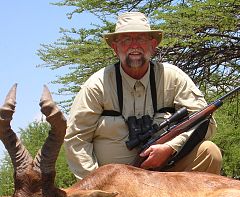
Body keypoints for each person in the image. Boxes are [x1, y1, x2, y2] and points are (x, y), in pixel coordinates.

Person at [64, 11, 222, 180]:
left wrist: (170, 147)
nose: (134, 45)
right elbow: (76, 139)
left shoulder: (173, 77)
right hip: (115, 185)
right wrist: (96, 184)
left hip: (167, 173)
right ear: (115, 48)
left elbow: (206, 122)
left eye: (140, 38)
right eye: (126, 40)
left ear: (153, 45)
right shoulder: (96, 85)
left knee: (209, 152)